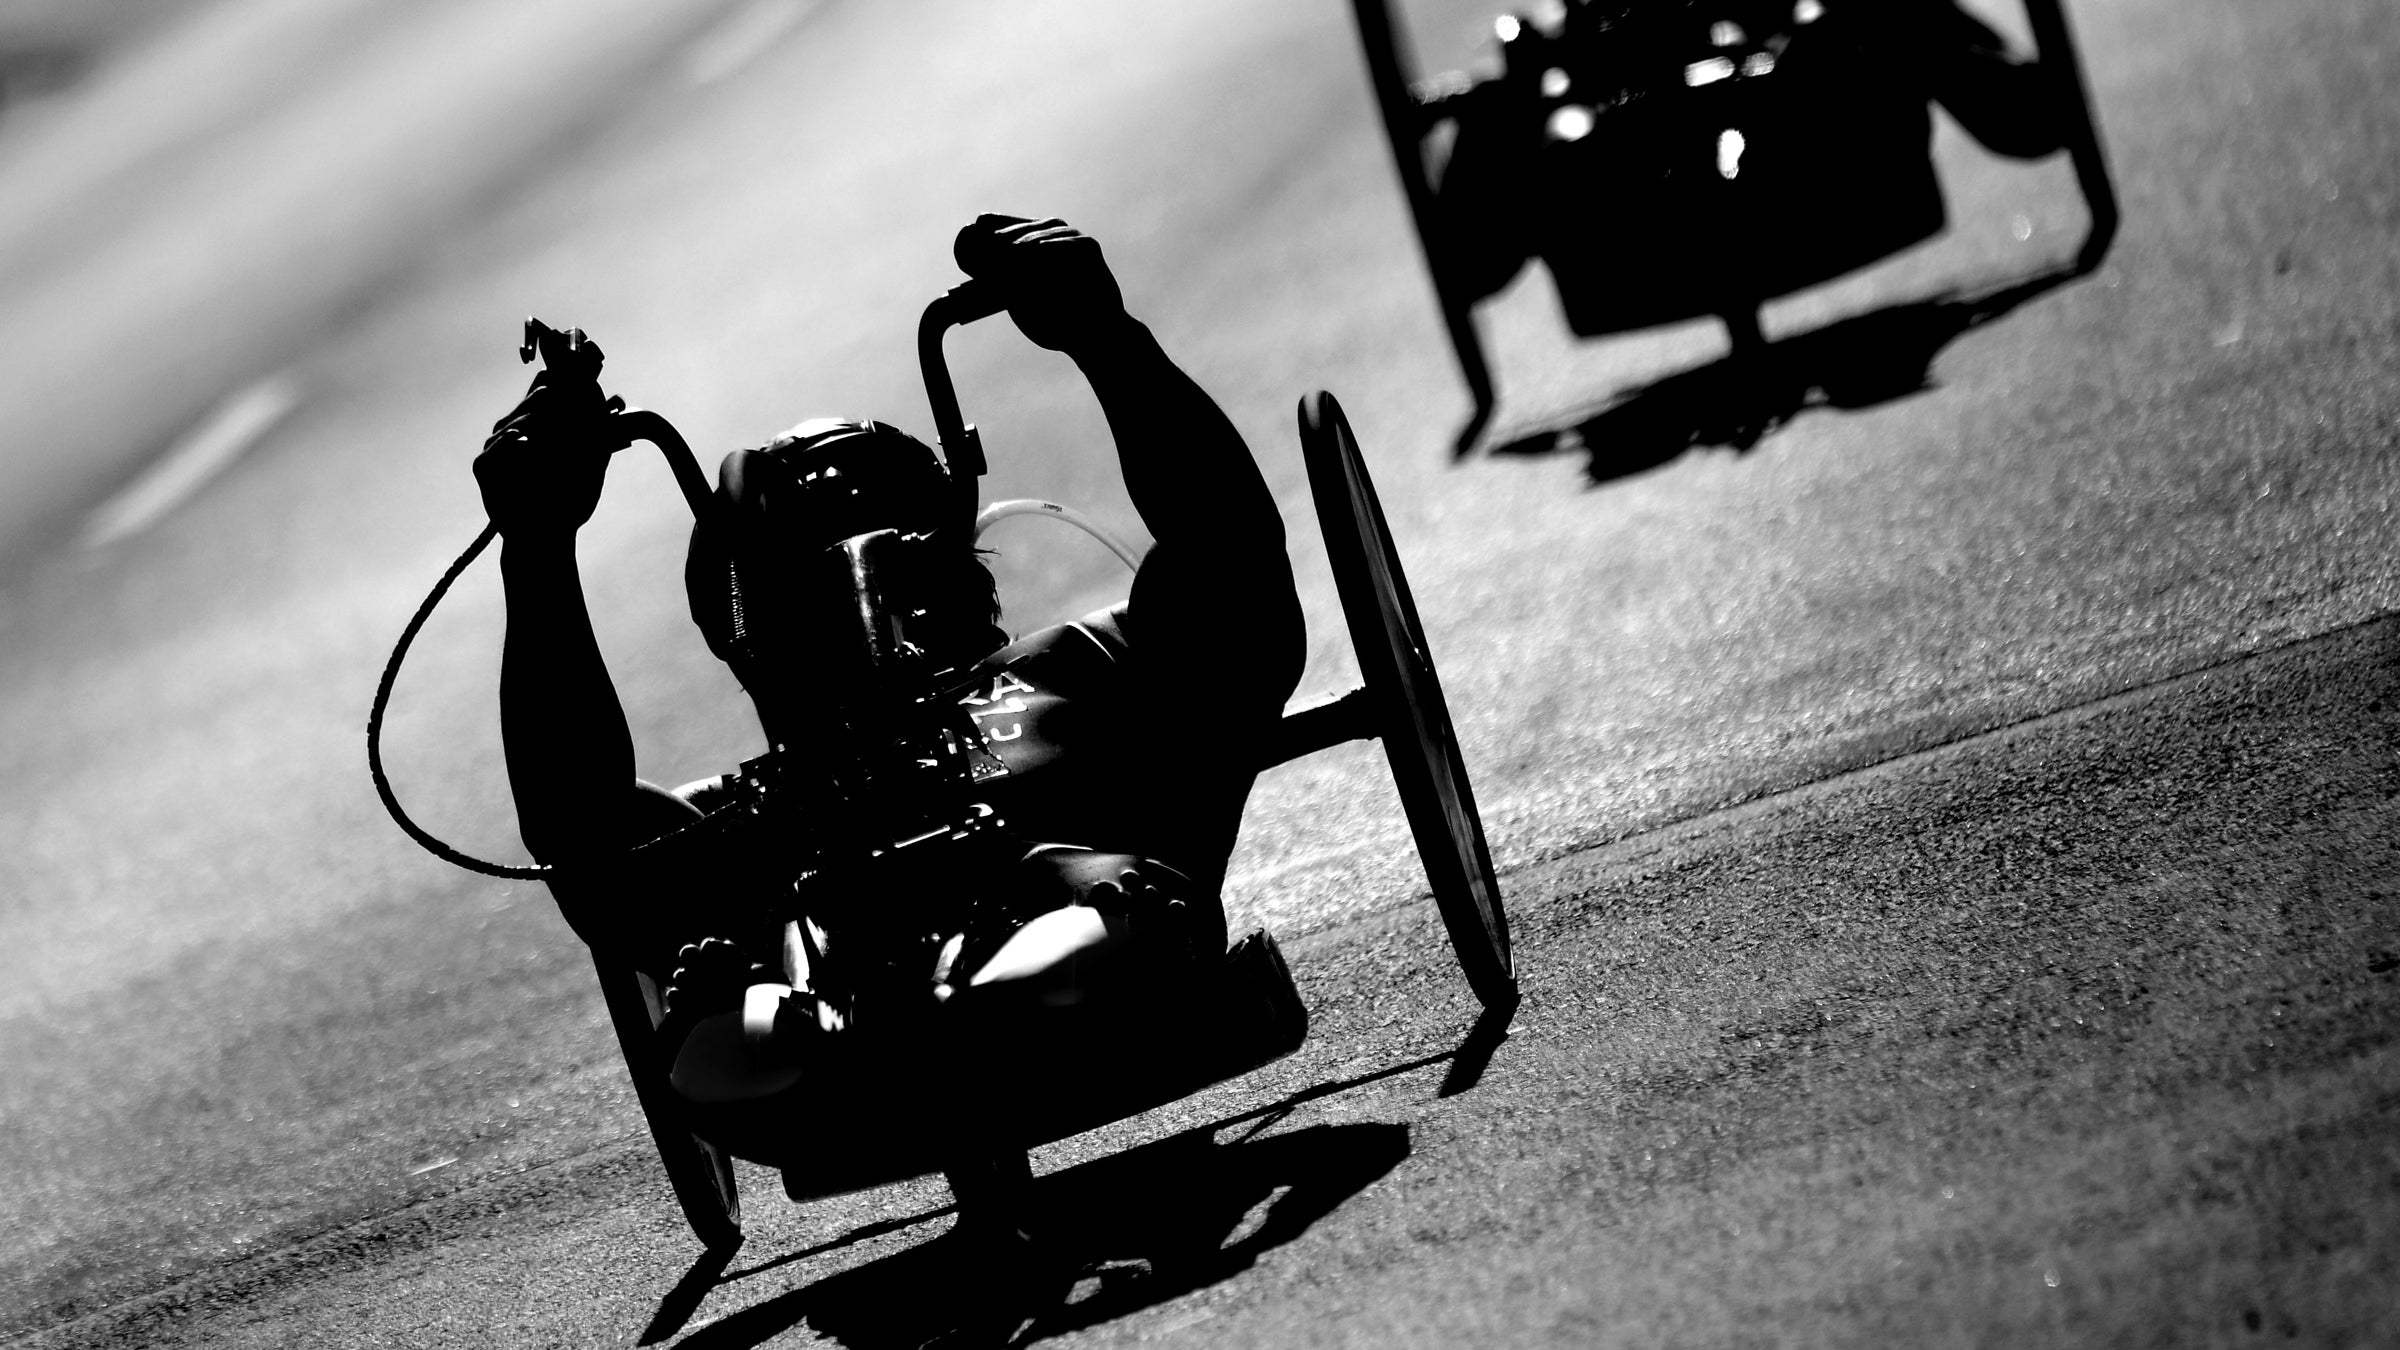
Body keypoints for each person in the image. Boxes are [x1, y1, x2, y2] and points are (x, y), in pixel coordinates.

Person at [472, 215, 1305, 1202]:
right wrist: (535, 548)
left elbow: (1232, 570)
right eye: (804, 601)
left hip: (1101, 925)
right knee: (715, 998)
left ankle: (1026, 980)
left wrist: (1104, 336)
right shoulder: (739, 819)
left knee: (1091, 897)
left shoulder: (1076, 669)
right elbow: (579, 831)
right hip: (824, 1029)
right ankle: (876, 1025)